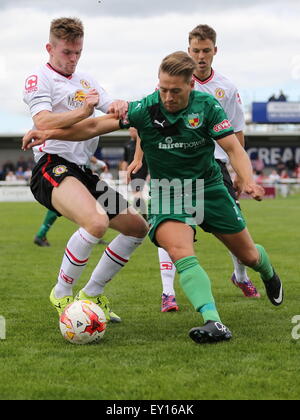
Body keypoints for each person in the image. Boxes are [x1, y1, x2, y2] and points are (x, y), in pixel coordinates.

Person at [22, 51, 284, 344]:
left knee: (248, 254)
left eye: (175, 91)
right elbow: (95, 126)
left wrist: (247, 180)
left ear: (191, 87)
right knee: (181, 251)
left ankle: (268, 271)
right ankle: (213, 321)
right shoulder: (146, 108)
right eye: (163, 89)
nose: (168, 97)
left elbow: (234, 149)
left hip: (208, 187)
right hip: (168, 192)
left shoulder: (207, 106)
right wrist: (49, 133)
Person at [23, 17, 148, 322]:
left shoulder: (87, 81)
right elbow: (43, 123)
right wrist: (83, 110)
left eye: (78, 52)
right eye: (67, 52)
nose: (73, 59)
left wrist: (121, 106)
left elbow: (109, 114)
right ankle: (62, 294)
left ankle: (90, 295)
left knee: (137, 228)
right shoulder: (39, 79)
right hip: (52, 166)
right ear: (50, 48)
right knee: (96, 221)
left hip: (83, 171)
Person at [131, 24, 260, 311]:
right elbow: (147, 126)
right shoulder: (171, 85)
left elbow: (237, 133)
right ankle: (168, 292)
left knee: (233, 228)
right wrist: (140, 158)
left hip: (215, 167)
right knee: (170, 224)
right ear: (188, 52)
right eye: (196, 51)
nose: (201, 56)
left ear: (215, 51)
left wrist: (241, 173)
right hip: (174, 161)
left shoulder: (226, 88)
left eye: (206, 51)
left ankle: (240, 275)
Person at [121, 127, 149, 218]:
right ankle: (142, 212)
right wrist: (123, 172)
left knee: (137, 191)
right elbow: (125, 160)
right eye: (130, 131)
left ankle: (139, 212)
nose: (131, 132)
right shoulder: (127, 144)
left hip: (140, 170)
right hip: (131, 171)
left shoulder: (142, 144)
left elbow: (148, 159)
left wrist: (149, 173)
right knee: (136, 192)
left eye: (133, 131)